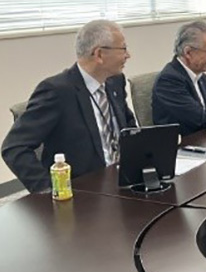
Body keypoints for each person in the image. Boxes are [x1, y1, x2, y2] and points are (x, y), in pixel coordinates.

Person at [2, 19, 136, 193]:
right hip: (85, 191)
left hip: (122, 180)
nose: (128, 55)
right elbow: (14, 147)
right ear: (99, 54)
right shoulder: (57, 91)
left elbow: (128, 126)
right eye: (123, 49)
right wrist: (49, 190)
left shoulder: (115, 81)